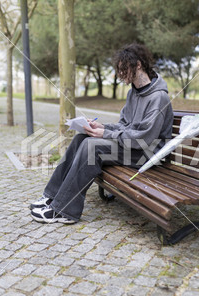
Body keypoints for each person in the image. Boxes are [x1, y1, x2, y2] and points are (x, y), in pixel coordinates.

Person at [30, 43, 174, 224]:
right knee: (82, 137)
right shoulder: (134, 93)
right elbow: (123, 125)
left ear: (138, 65)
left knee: (92, 147)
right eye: (119, 70)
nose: (120, 75)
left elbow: (142, 139)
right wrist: (101, 127)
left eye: (124, 69)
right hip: (131, 147)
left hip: (148, 154)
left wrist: (105, 134)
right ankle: (52, 196)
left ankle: (64, 211)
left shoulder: (158, 98)